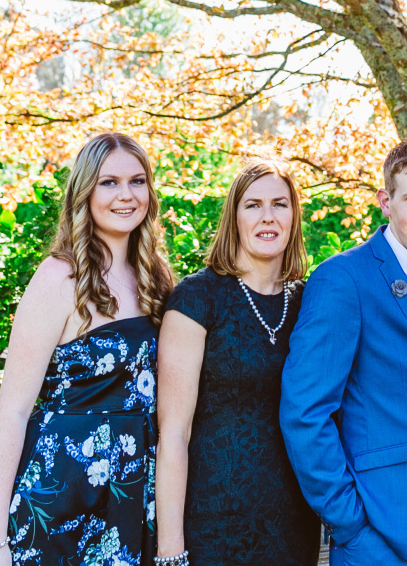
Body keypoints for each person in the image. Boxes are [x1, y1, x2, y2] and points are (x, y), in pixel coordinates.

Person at [0, 132, 176, 566]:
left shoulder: (156, 277)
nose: (126, 195)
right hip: (61, 497)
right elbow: (12, 412)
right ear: (85, 192)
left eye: (137, 181)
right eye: (109, 182)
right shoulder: (60, 277)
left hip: (134, 495)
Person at [280, 137, 407, 566]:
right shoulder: (342, 279)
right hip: (379, 529)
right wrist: (349, 524)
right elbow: (305, 412)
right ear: (385, 202)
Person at [154, 160, 321, 566]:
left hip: (293, 525)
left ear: (294, 216)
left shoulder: (310, 302)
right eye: (253, 205)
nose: (268, 217)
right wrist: (170, 549)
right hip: (212, 526)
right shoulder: (198, 298)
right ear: (234, 217)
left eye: (279, 204)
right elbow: (173, 434)